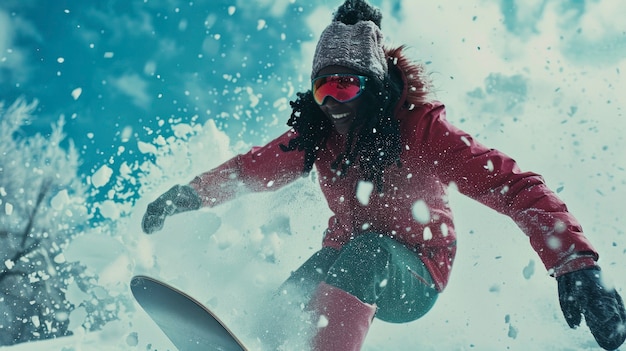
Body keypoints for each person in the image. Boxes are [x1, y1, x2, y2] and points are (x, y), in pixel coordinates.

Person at [141, 0, 626, 350]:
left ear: (372, 85)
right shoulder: (317, 135)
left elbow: (514, 185)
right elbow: (252, 167)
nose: (333, 104)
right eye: (322, 89)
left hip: (416, 271)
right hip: (343, 259)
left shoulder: (421, 129)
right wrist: (189, 195)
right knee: (288, 299)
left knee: (365, 255)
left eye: (345, 86)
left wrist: (575, 264)